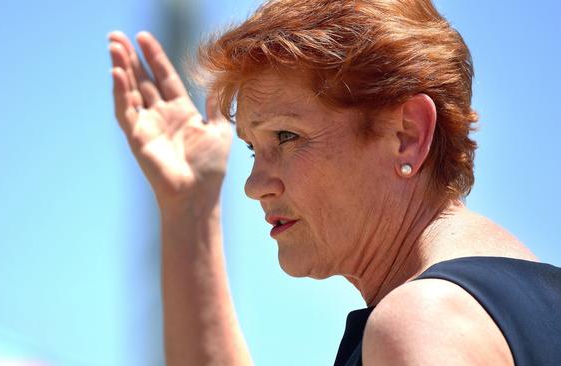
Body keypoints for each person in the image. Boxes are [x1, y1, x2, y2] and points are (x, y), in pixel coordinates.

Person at [107, 0, 561, 364]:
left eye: (286, 137)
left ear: (407, 136)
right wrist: (189, 206)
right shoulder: (516, 305)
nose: (253, 184)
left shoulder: (421, 322)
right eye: (250, 147)